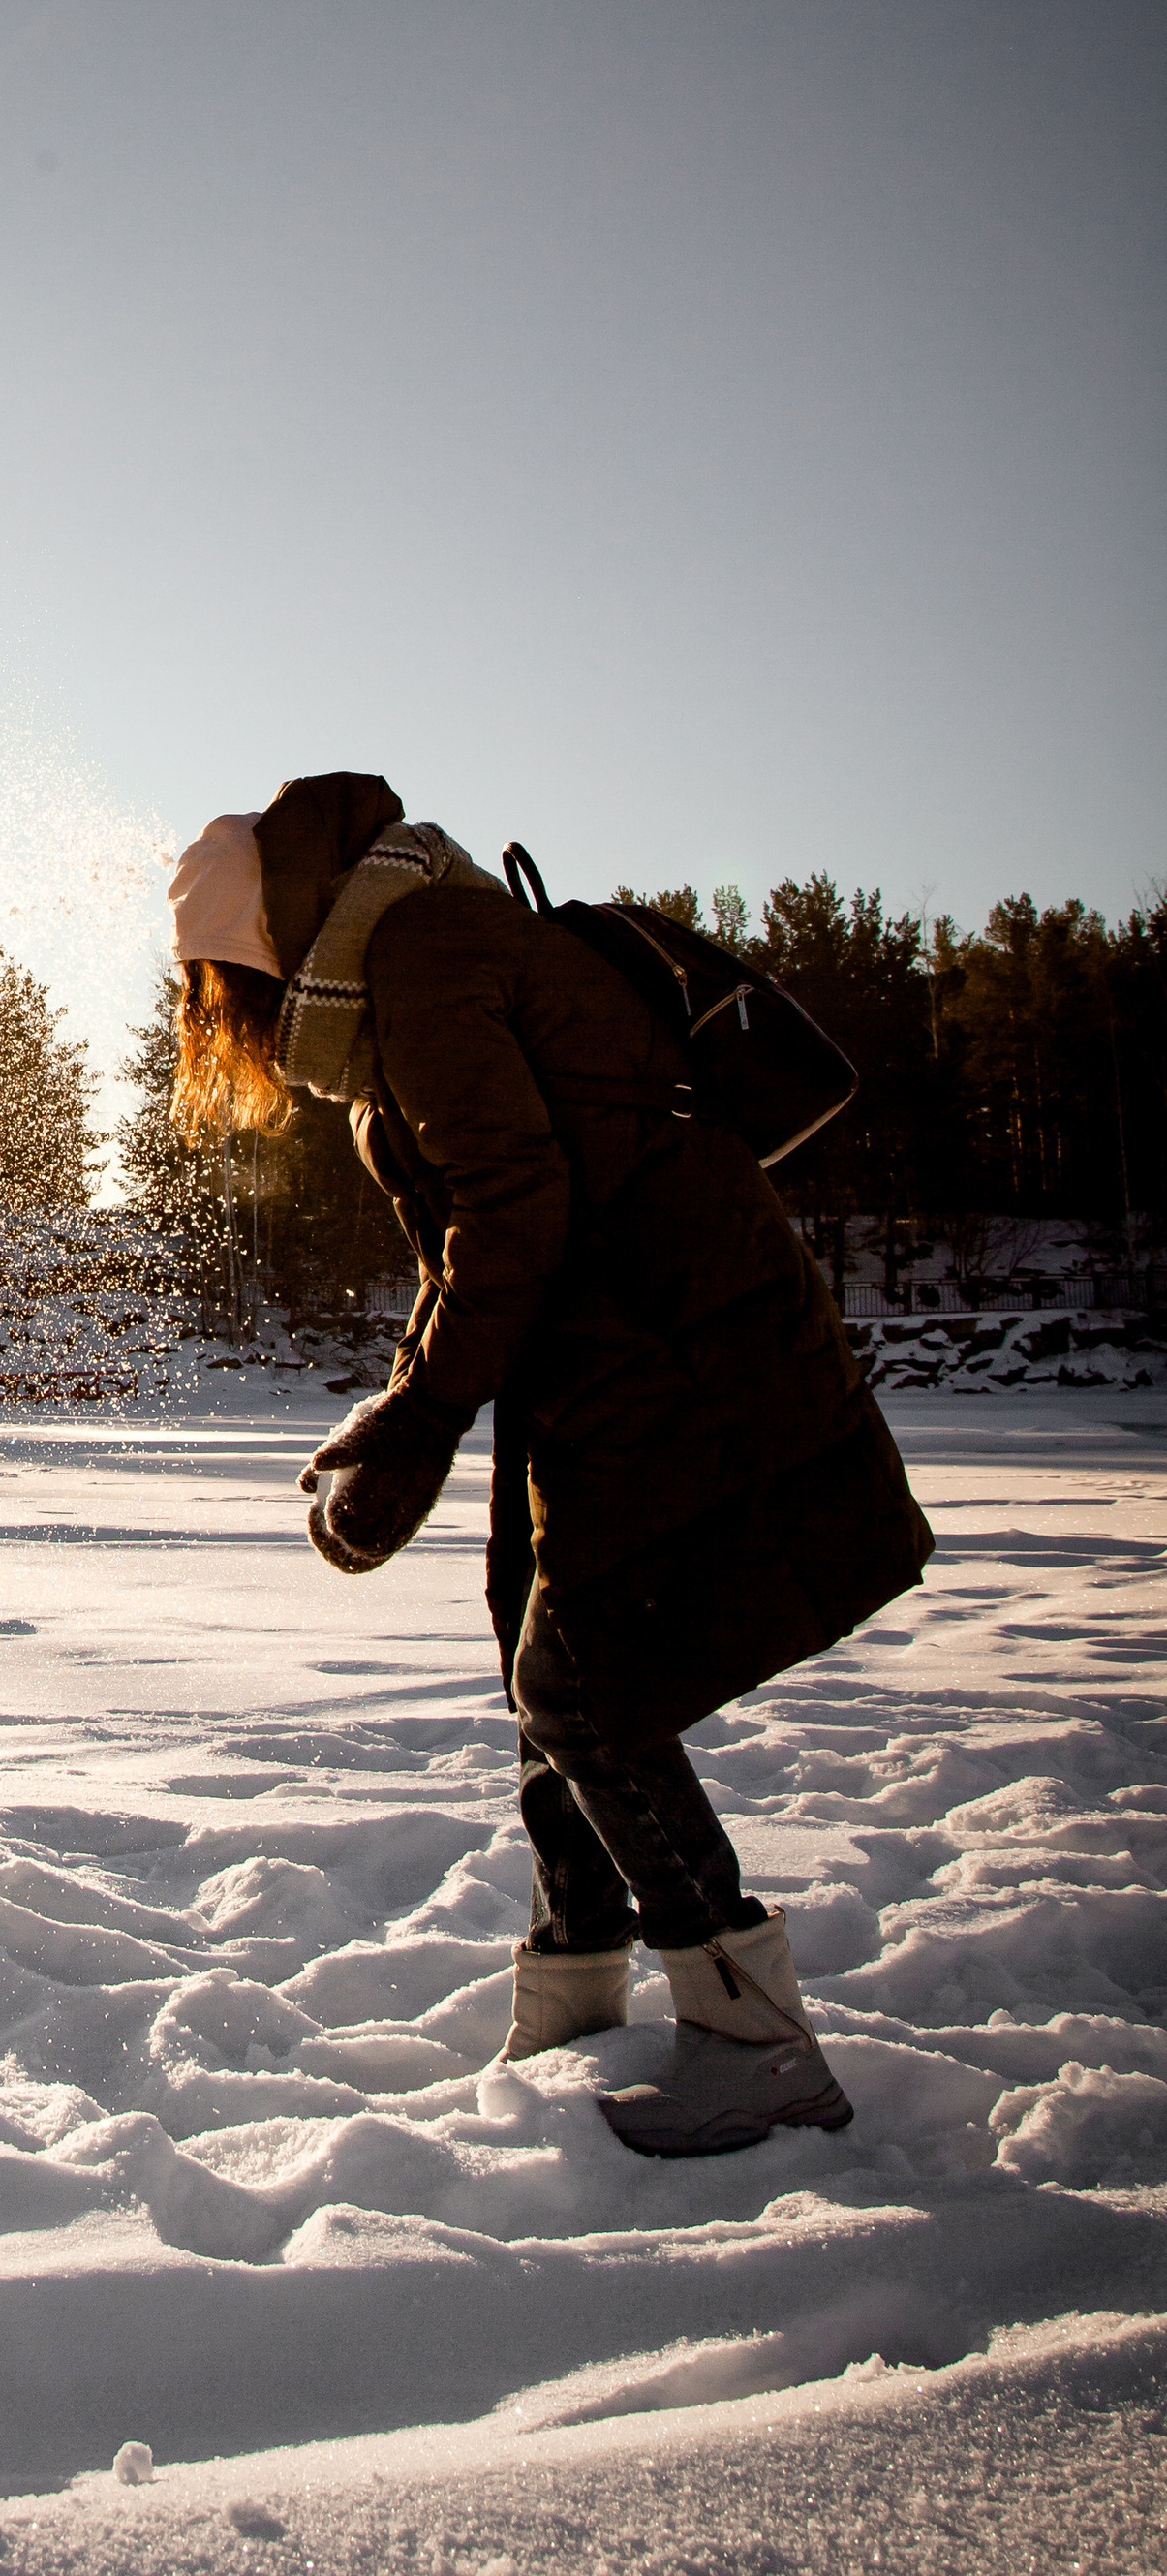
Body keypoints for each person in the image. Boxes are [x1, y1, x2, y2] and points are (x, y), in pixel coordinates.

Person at [167, 772, 932, 2157]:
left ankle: (754, 2040)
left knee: (577, 1678)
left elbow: (521, 1205)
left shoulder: (424, 955)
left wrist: (420, 1417)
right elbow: (485, 1226)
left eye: (225, 987)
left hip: (677, 1336)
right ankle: (577, 1987)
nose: (234, 1025)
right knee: (536, 1641)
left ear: (269, 936)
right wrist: (409, 1403)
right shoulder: (415, 958)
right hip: (619, 1344)